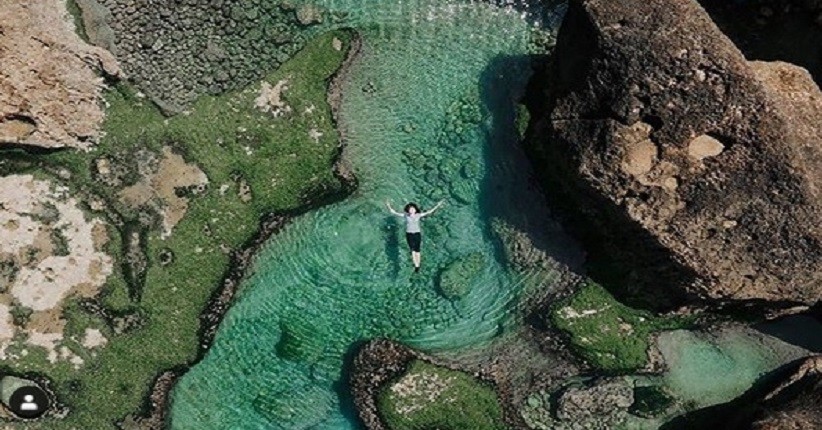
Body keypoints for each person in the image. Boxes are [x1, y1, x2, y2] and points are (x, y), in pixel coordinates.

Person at [385, 199, 444, 272]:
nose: (412, 210)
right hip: (409, 234)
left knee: (418, 250)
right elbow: (394, 212)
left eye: (413, 209)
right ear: (408, 210)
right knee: (412, 250)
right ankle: (416, 266)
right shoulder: (406, 215)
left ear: (415, 209)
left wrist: (437, 205)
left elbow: (429, 212)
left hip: (417, 234)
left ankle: (418, 265)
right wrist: (388, 205)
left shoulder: (418, 215)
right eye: (410, 209)